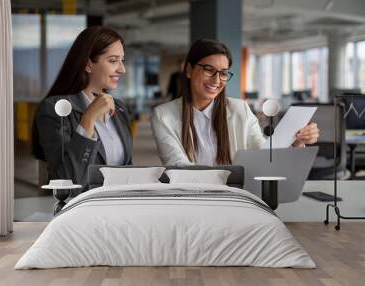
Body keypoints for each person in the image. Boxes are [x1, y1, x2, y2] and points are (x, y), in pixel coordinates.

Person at [151, 39, 319, 166]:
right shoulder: (163, 115)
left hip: (238, 196)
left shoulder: (240, 109)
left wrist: (296, 142)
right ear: (189, 70)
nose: (217, 80)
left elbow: (263, 156)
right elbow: (178, 166)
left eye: (223, 73)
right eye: (209, 69)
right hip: (193, 198)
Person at [32, 26, 133, 192]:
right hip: (80, 211)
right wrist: (89, 119)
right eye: (113, 61)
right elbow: (67, 183)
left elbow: (128, 170)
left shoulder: (119, 109)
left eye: (122, 60)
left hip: (117, 207)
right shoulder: (55, 109)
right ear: (88, 65)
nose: (122, 69)